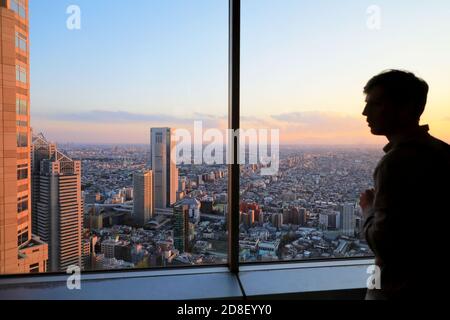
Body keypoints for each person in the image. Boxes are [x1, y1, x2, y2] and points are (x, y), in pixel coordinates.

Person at [360, 70, 450, 300]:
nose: (365, 112)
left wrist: (368, 209)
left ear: (406, 108)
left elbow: (384, 244)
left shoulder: (396, 163)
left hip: (397, 290)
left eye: (376, 104)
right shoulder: (442, 151)